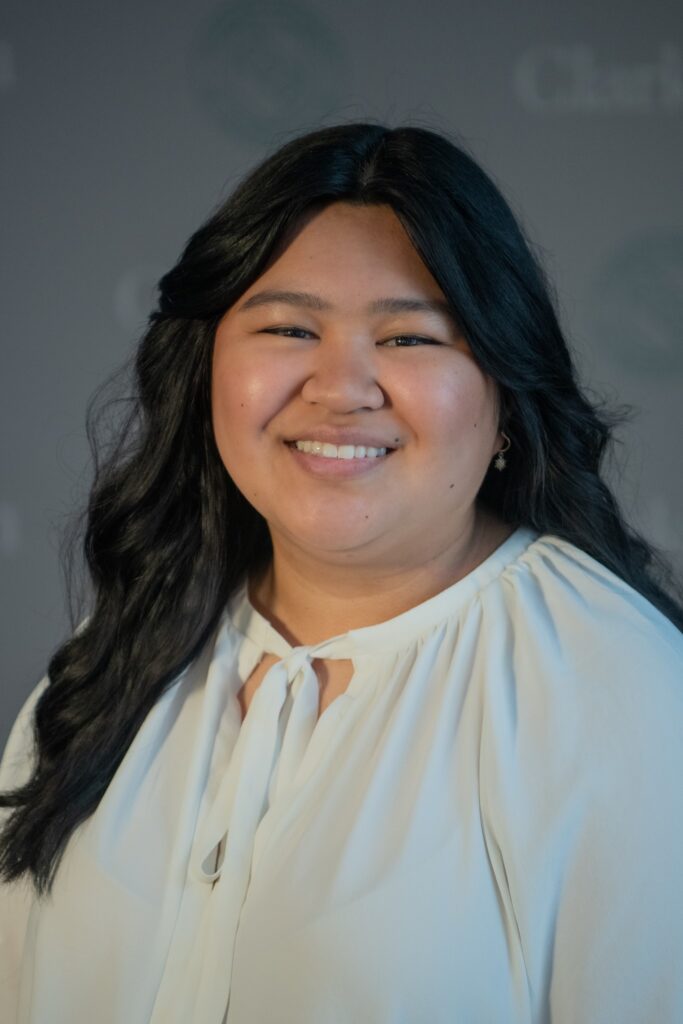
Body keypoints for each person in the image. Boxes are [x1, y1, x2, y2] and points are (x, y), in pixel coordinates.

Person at [1, 122, 682, 1024]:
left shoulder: (614, 685)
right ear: (207, 371)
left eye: (408, 340)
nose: (339, 386)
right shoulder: (115, 655)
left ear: (505, 395)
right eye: (288, 327)